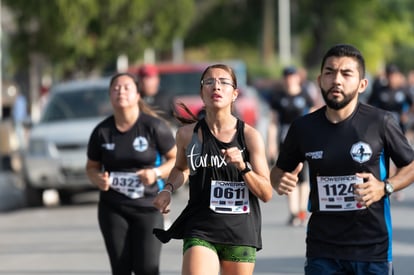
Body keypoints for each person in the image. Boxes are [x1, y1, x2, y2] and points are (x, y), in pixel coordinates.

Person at [270, 44, 414, 275]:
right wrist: (280, 181)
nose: (337, 80)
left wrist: (385, 187)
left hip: (372, 251)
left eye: (346, 74)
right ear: (319, 80)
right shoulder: (303, 128)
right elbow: (277, 173)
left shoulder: (380, 122)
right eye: (330, 72)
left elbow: (411, 165)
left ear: (362, 84)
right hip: (322, 251)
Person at [152, 64, 273, 275]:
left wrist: (243, 167)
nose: (216, 86)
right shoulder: (186, 135)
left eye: (223, 82)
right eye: (209, 82)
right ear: (202, 92)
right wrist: (167, 189)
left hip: (240, 231)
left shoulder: (250, 136)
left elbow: (266, 193)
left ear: (234, 94)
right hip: (201, 227)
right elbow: (181, 169)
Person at [85, 72, 177, 275]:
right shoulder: (102, 132)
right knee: (121, 269)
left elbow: (176, 161)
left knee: (147, 269)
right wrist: (98, 179)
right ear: (110, 95)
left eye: (127, 87)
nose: (121, 92)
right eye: (116, 88)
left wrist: (155, 173)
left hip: (148, 207)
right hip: (113, 209)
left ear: (137, 95)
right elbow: (91, 168)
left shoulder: (154, 127)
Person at [267, 66, 315, 226]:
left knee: (304, 177)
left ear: (297, 78)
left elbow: (313, 117)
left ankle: (302, 211)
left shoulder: (305, 95)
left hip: (305, 141)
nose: (289, 80)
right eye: (287, 77)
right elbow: (273, 122)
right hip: (285, 141)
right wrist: (271, 143)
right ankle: (293, 212)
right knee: (288, 176)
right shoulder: (278, 97)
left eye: (292, 76)